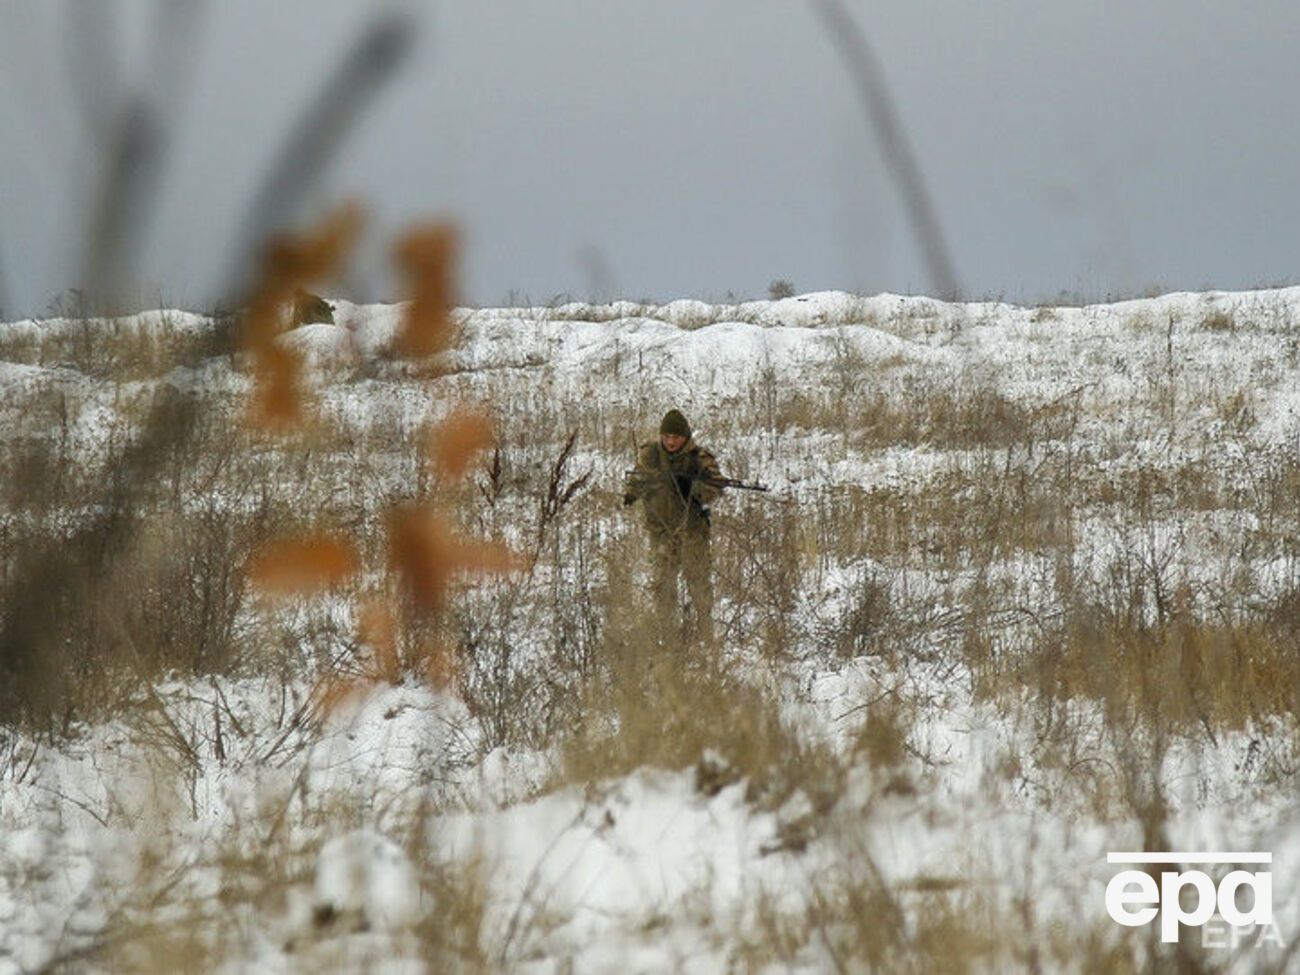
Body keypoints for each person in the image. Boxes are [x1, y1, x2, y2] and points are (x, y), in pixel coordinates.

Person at [623, 409, 722, 640]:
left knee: (699, 586)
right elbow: (637, 479)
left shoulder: (700, 458)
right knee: (663, 587)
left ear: (685, 436)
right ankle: (668, 638)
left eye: (676, 437)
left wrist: (693, 488)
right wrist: (632, 493)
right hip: (661, 533)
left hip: (692, 533)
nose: (670, 441)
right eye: (666, 436)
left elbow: (715, 488)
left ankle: (706, 634)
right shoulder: (651, 455)